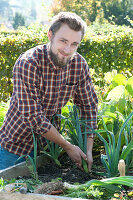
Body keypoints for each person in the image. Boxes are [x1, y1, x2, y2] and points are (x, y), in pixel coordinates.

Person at [0, 12, 98, 171]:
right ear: (50, 35)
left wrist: (88, 149)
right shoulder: (29, 63)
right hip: (14, 149)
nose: (68, 49)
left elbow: (89, 106)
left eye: (74, 44)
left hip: (48, 151)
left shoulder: (78, 64)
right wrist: (68, 146)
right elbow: (34, 117)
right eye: (63, 41)